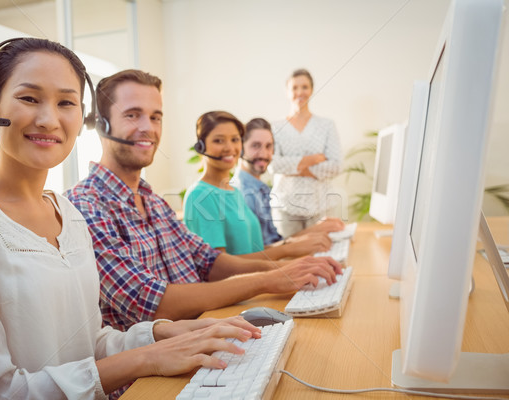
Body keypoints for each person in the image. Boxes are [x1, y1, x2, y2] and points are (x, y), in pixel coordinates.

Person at [0, 38, 264, 400]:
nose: (49, 120)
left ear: (81, 119)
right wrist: (148, 357)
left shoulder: (69, 215)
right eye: (29, 98)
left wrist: (160, 334)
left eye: (66, 103)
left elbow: (88, 342)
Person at [66, 69, 342, 332]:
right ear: (100, 125)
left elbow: (209, 261)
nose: (147, 128)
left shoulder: (153, 202)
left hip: (208, 327)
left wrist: (286, 269)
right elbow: (150, 302)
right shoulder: (87, 205)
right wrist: (267, 279)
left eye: (155, 117)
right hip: (156, 365)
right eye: (132, 115)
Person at [183, 111, 334, 258]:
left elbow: (257, 250)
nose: (229, 147)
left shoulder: (233, 192)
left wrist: (309, 237)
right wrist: (289, 256)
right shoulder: (201, 195)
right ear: (201, 147)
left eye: (235, 140)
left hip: (260, 278)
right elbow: (218, 268)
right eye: (218, 140)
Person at [232, 117, 345, 247]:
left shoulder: (260, 188)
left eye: (269, 146)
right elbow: (260, 254)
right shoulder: (244, 193)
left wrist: (317, 229)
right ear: (240, 148)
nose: (263, 153)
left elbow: (276, 243)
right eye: (255, 146)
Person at [270, 68, 344, 238]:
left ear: (311, 89)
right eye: (294, 88)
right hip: (285, 206)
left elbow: (336, 166)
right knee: (289, 257)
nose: (300, 92)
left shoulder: (326, 125)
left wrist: (292, 167)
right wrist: (312, 160)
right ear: (287, 92)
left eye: (304, 87)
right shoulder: (275, 127)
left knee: (321, 255)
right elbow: (273, 164)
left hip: (320, 205)